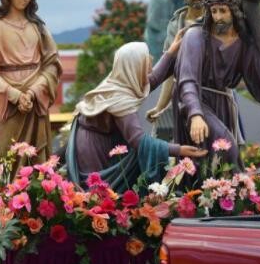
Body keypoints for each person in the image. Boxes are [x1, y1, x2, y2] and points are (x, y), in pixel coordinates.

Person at [173, 0, 260, 170]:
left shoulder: (244, 44)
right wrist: (195, 114)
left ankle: (223, 195)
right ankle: (212, 194)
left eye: (223, 11)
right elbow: (187, 80)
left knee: (223, 157)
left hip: (223, 102)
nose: (218, 17)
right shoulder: (196, 36)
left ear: (234, 12)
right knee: (225, 147)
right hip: (196, 99)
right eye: (213, 11)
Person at [66, 38, 207, 192]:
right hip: (95, 154)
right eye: (146, 58)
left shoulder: (120, 82)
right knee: (102, 195)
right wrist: (179, 150)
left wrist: (171, 52)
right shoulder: (119, 98)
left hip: (99, 144)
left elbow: (151, 81)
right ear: (133, 66)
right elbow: (139, 141)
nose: (151, 60)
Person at [0, 0, 62, 167]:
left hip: (35, 99)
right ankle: (6, 197)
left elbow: (52, 64)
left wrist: (33, 92)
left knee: (36, 158)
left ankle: (37, 194)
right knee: (7, 156)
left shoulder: (38, 28)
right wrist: (14, 94)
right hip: (7, 102)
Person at [147, 0, 212, 140]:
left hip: (214, 93)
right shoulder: (176, 24)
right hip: (184, 94)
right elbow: (170, 71)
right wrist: (160, 106)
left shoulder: (217, 19)